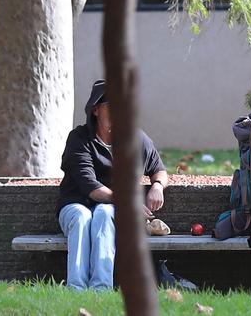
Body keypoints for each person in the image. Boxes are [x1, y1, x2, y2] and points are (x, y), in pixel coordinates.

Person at [56, 79, 168, 290]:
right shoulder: (79, 139)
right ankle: (76, 289)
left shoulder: (136, 139)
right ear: (96, 110)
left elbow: (159, 169)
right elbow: (92, 188)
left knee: (104, 213)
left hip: (111, 209)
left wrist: (157, 186)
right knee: (83, 216)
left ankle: (100, 289)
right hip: (75, 204)